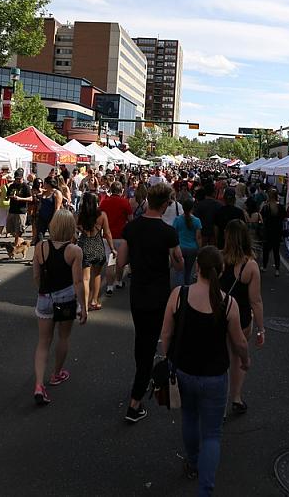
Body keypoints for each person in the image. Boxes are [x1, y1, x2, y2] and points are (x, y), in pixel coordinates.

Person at [159, 246, 250, 494]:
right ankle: (205, 489)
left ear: (197, 267)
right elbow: (240, 342)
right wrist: (245, 359)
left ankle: (192, 460)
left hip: (184, 371)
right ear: (220, 271)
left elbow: (166, 334)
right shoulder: (228, 303)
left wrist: (168, 358)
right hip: (214, 376)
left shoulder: (179, 294)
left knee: (189, 417)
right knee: (212, 434)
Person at [117, 182, 184, 423]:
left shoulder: (132, 228)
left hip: (137, 293)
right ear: (166, 204)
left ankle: (140, 380)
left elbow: (121, 261)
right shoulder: (168, 232)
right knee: (149, 345)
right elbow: (179, 263)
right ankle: (135, 404)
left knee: (142, 339)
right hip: (158, 295)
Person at [32, 210, 87, 405]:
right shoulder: (74, 250)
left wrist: (42, 289)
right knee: (63, 337)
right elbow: (78, 281)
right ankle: (56, 374)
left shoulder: (40, 247)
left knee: (43, 341)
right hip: (65, 297)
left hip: (45, 296)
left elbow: (36, 276)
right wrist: (83, 306)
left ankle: (39, 384)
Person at [220, 219, 264, 415]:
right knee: (238, 359)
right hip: (242, 318)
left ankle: (219, 405)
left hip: (219, 316)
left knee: (220, 360)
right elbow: (256, 301)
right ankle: (236, 397)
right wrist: (262, 328)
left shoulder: (218, 259)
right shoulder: (251, 266)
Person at [77, 192, 115, 311]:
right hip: (98, 246)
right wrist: (112, 248)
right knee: (97, 275)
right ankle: (94, 301)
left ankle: (84, 303)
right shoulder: (102, 215)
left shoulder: (79, 215)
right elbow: (107, 233)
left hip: (84, 246)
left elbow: (75, 231)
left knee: (85, 278)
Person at [100, 180, 133, 294]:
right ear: (121, 190)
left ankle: (109, 286)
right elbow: (131, 220)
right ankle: (118, 281)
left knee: (110, 262)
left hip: (107, 236)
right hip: (121, 236)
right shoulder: (125, 202)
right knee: (120, 261)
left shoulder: (104, 202)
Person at [172, 197, 202, 286]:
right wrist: (199, 249)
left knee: (179, 271)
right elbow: (198, 237)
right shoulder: (197, 221)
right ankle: (187, 289)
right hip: (192, 248)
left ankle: (180, 290)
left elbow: (174, 234)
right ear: (192, 208)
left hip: (180, 247)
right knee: (188, 271)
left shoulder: (177, 219)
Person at [259, 189, 286, 277]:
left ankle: (264, 266)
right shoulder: (281, 207)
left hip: (268, 231)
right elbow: (284, 218)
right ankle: (277, 269)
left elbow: (261, 218)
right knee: (276, 251)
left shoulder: (266, 207)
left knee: (266, 250)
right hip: (277, 231)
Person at [5, 169, 32, 250]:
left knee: (18, 230)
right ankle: (21, 240)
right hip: (12, 210)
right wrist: (9, 197)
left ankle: (16, 246)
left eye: (19, 179)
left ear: (22, 178)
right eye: (16, 179)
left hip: (21, 211)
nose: (17, 180)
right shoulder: (12, 186)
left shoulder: (25, 186)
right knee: (10, 229)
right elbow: (7, 195)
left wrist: (20, 198)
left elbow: (30, 198)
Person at [34, 177, 63, 243]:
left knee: (54, 239)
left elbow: (57, 208)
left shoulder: (57, 193)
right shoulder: (44, 192)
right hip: (42, 218)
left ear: (48, 184)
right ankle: (39, 251)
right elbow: (40, 202)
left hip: (51, 218)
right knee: (39, 238)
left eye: (44, 183)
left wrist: (53, 221)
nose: (43, 184)